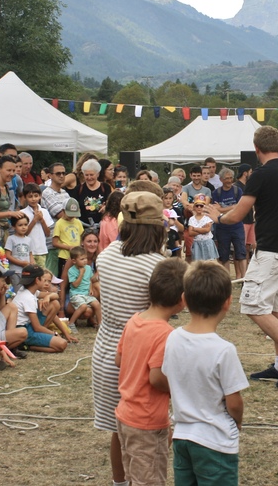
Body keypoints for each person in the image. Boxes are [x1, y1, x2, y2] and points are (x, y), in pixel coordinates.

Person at [207, 125, 278, 388]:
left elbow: (239, 214)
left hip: (272, 252)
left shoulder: (260, 175)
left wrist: (218, 217)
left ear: (257, 149)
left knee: (253, 306)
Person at [91, 191, 169, 485]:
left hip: (106, 349)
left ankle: (120, 482)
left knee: (119, 428)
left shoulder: (107, 254)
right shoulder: (155, 266)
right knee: (148, 432)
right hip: (140, 355)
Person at [163, 261, 248, 486]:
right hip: (215, 441)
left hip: (182, 436)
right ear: (228, 303)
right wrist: (237, 422)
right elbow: (234, 402)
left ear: (184, 300)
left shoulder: (172, 338)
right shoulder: (224, 350)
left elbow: (169, 380)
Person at [114, 259, 187, 486]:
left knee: (136, 474)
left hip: (125, 414)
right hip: (147, 420)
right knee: (150, 479)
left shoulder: (134, 321)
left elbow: (119, 359)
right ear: (183, 300)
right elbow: (156, 378)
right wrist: (180, 387)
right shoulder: (166, 334)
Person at [13, 266, 69, 353]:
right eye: (43, 279)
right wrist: (54, 334)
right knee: (62, 344)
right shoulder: (28, 297)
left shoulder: (27, 290)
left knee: (54, 303)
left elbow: (55, 295)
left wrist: (48, 296)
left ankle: (34, 342)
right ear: (37, 280)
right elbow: (37, 328)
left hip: (27, 327)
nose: (45, 282)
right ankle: (28, 346)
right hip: (25, 330)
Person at [212, 168, 247, 279]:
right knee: (224, 256)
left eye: (231, 178)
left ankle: (244, 279)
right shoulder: (216, 193)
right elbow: (215, 210)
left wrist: (223, 209)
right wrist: (232, 207)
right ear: (221, 179)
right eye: (226, 178)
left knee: (241, 253)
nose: (229, 180)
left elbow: (239, 207)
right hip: (222, 228)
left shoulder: (238, 191)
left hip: (237, 226)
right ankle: (226, 280)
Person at [20, 182, 53, 268]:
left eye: (36, 196)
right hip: (28, 251)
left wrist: (41, 220)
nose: (33, 199)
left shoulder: (44, 212)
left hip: (41, 250)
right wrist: (34, 220)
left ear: (40, 196)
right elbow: (24, 233)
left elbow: (48, 233)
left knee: (41, 274)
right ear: (25, 197)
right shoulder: (22, 213)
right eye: (30, 197)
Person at [67, 246, 100, 329]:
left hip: (86, 294)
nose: (85, 260)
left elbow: (90, 279)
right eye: (82, 259)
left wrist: (91, 288)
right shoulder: (71, 270)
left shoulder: (88, 268)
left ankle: (100, 324)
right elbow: (75, 285)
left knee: (97, 304)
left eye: (85, 258)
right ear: (74, 261)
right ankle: (71, 323)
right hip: (76, 294)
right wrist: (81, 273)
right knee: (83, 306)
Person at [187, 194, 217, 261]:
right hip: (197, 243)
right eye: (197, 205)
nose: (199, 207)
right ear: (194, 207)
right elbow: (190, 233)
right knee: (198, 263)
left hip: (208, 243)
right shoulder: (191, 219)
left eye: (201, 206)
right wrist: (202, 229)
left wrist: (195, 229)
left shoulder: (208, 217)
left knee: (209, 263)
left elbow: (207, 230)